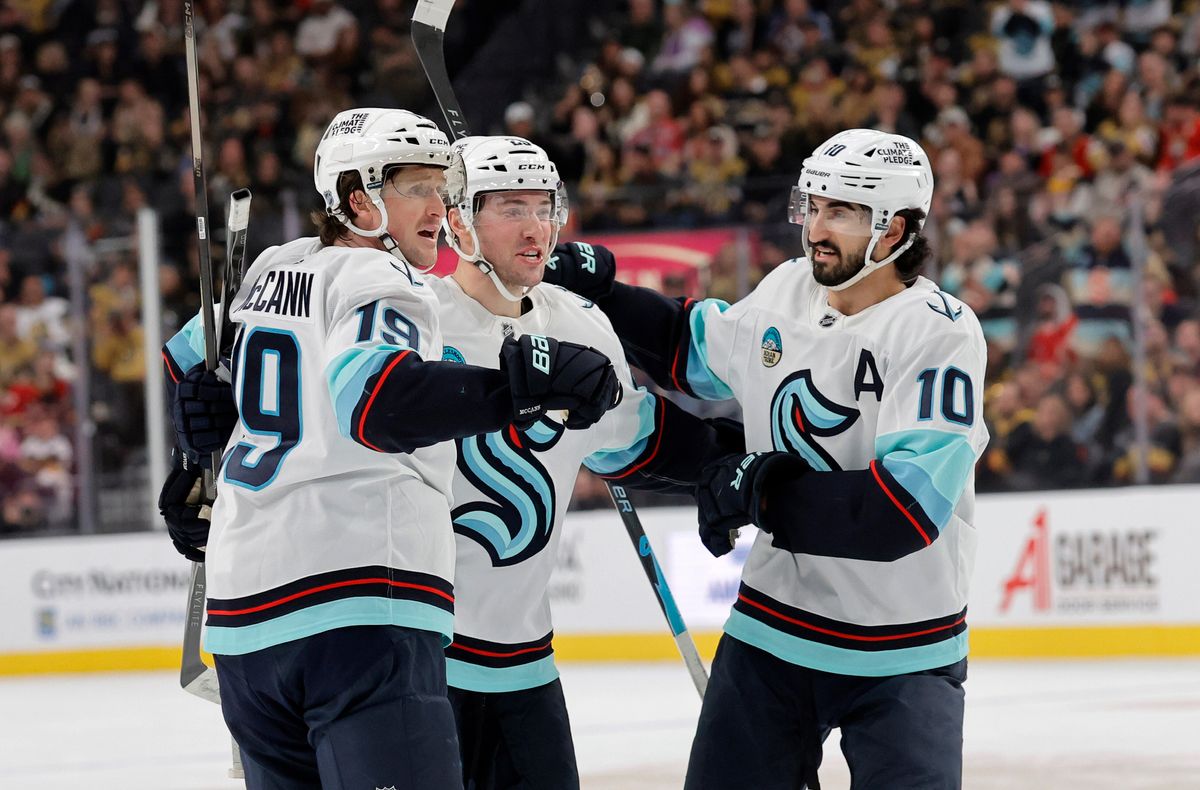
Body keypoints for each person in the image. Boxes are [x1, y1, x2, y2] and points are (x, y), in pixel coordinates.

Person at [164, 132, 738, 789]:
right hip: (415, 648)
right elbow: (279, 388)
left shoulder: (579, 327)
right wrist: (204, 427)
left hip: (521, 665)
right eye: (511, 208)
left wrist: (746, 469)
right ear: (461, 223)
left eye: (544, 207)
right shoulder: (408, 305)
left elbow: (642, 437)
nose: (536, 228)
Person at [544, 129, 989, 789]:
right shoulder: (789, 288)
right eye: (813, 206)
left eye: (840, 212)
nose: (816, 229)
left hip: (903, 649)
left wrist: (762, 491)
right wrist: (602, 290)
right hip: (773, 630)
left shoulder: (938, 332)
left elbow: (902, 515)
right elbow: (687, 350)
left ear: (894, 230)